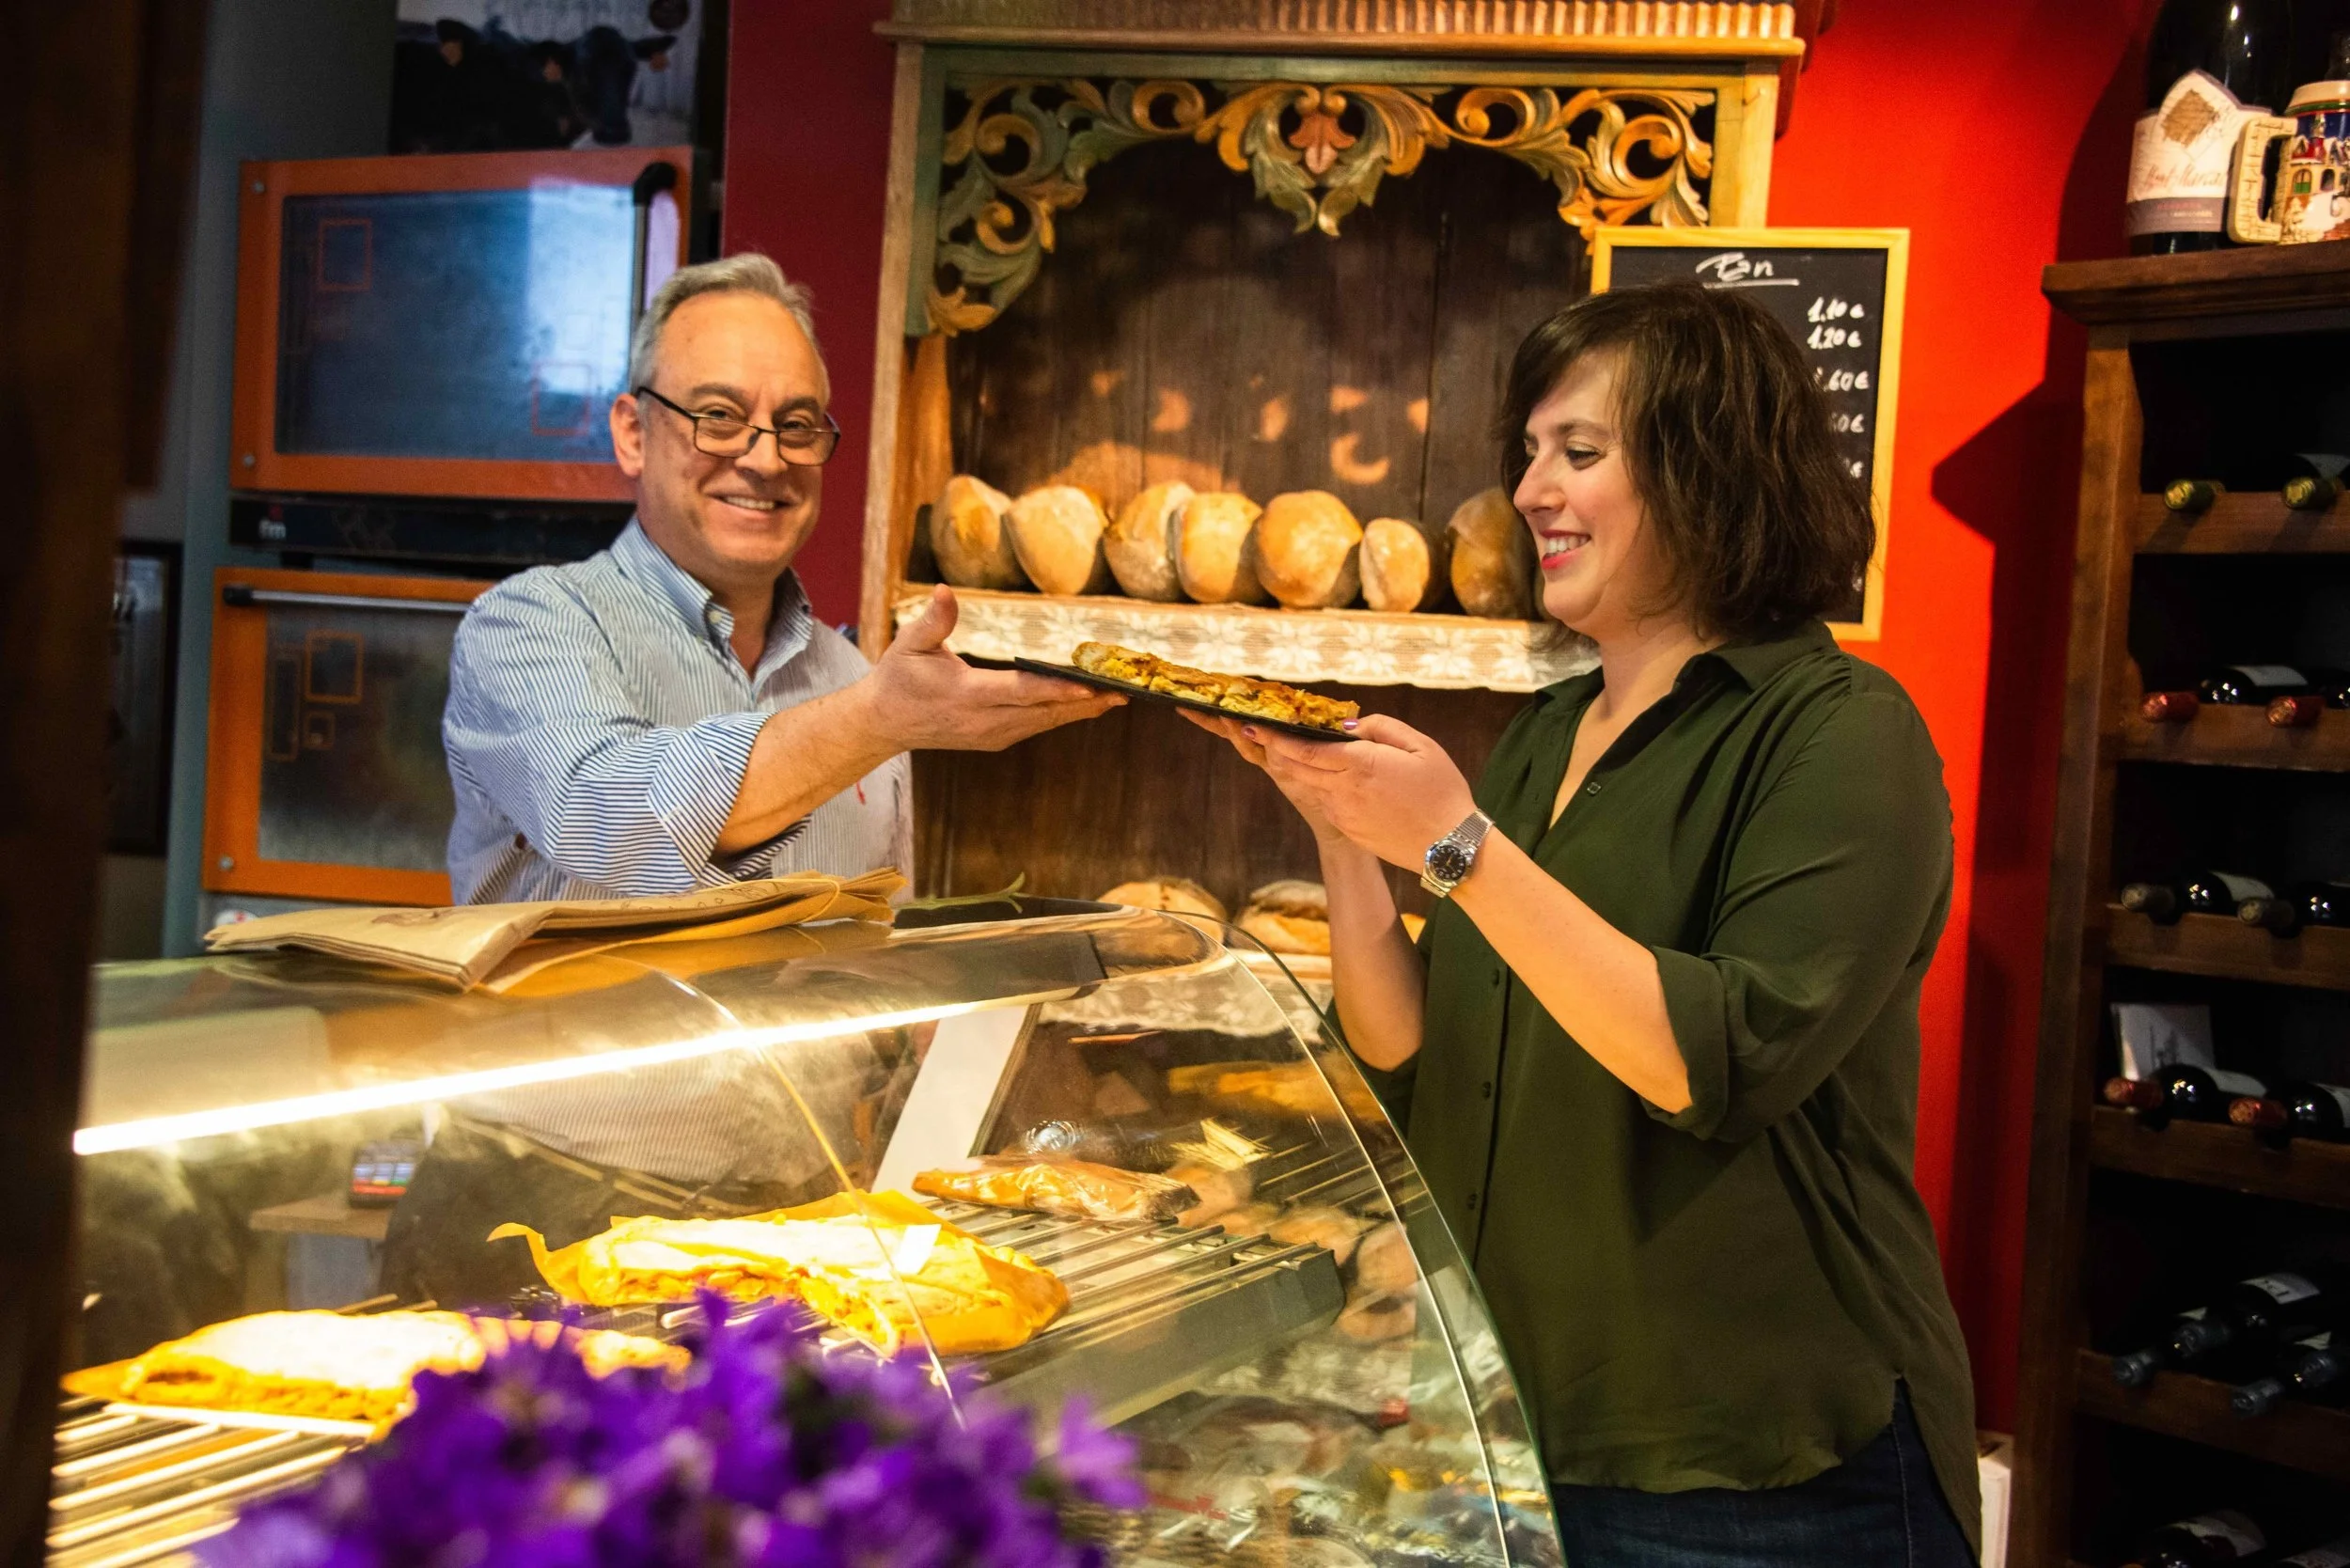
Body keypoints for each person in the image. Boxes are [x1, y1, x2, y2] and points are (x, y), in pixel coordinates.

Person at [1189, 284, 1980, 1567]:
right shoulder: (1549, 738)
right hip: (1517, 1438)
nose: (1534, 490)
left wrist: (1455, 844)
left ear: (1712, 467)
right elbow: (1408, 1051)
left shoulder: (1840, 731)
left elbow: (1712, 1058)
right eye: (1531, 452)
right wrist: (1337, 822)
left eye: (1582, 453)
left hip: (1763, 1475)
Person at [382, 253, 1120, 1307]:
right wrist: (875, 721)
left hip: (792, 1221)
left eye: (798, 425)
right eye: (719, 418)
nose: (763, 459)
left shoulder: (852, 677)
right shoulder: (537, 626)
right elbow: (612, 824)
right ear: (634, 431)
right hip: (540, 1217)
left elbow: (868, 967)